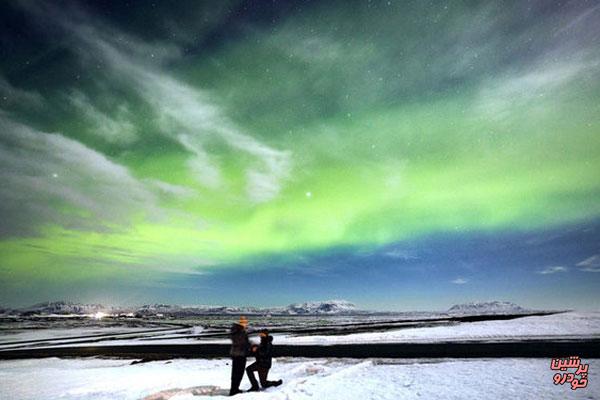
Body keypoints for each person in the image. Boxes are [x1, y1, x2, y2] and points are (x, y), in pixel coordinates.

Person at [229, 316, 250, 396]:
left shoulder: (236, 331)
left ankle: (234, 389)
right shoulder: (240, 331)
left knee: (236, 373)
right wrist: (249, 346)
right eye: (244, 323)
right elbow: (241, 342)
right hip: (240, 354)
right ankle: (234, 390)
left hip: (236, 354)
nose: (245, 324)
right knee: (238, 373)